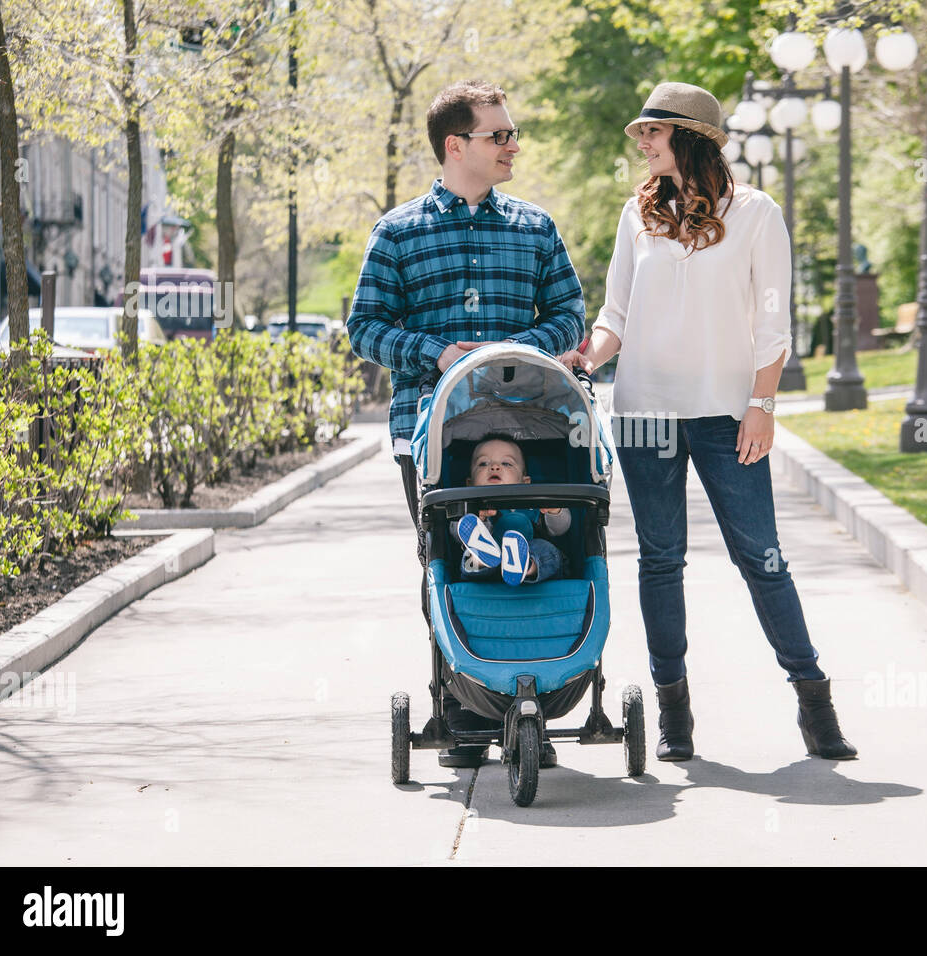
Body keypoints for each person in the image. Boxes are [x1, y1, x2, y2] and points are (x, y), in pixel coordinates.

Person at [560, 81, 858, 762]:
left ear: (689, 136)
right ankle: (675, 712)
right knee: (661, 561)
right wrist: (587, 356)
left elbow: (774, 322)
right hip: (645, 414)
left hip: (728, 414)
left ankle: (815, 701)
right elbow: (617, 316)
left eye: (653, 132)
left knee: (762, 558)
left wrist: (763, 404)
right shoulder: (637, 215)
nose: (642, 142)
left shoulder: (756, 213)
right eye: (641, 133)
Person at [347, 79, 585, 769]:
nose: (514, 144)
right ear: (457, 146)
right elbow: (364, 329)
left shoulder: (536, 228)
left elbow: (570, 313)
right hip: (430, 430)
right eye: (499, 134)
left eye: (511, 133)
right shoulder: (397, 232)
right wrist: (437, 353)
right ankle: (460, 709)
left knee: (552, 543)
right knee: (447, 560)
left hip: (534, 423)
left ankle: (530, 697)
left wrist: (516, 355)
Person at [455, 435, 570, 587]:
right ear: (469, 483)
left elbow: (559, 529)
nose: (494, 467)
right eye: (483, 463)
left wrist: (554, 511)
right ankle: (482, 557)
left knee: (547, 550)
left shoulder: (534, 504)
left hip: (532, 556)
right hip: (486, 571)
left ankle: (525, 565)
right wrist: (479, 520)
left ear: (525, 482)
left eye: (506, 463)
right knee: (470, 552)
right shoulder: (472, 507)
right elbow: (456, 531)